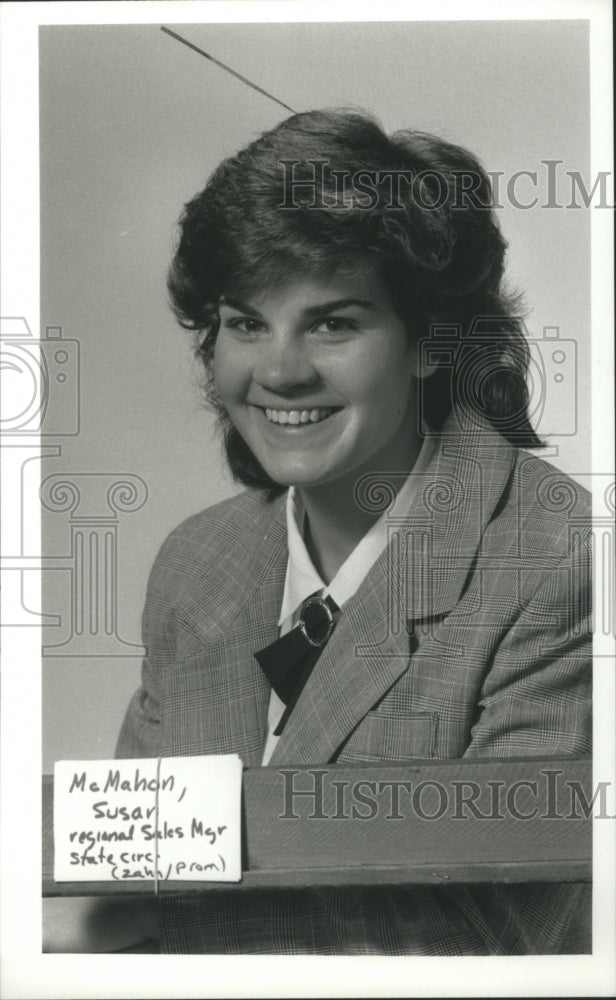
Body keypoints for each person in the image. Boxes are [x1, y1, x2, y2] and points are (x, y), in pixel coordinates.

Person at [115, 109, 592, 954]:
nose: (279, 370)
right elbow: (124, 883)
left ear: (428, 341)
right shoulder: (200, 561)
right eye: (245, 322)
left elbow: (493, 942)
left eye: (334, 322)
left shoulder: (558, 554)